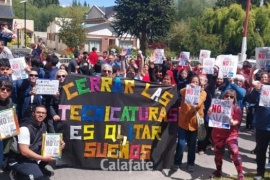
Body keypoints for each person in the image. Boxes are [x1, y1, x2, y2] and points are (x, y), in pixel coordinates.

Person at [8, 105, 65, 179]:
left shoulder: (43, 125)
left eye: (43, 113)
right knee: (38, 177)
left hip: (31, 156)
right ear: (33, 113)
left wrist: (59, 145)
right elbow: (24, 151)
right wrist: (43, 158)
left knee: (55, 148)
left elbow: (48, 141)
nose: (41, 115)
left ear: (45, 115)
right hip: (19, 159)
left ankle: (39, 168)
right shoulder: (25, 128)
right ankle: (17, 173)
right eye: (38, 112)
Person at [173, 75, 207, 172]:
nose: (195, 83)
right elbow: (181, 91)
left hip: (194, 124)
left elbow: (199, 103)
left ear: (199, 84)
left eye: (196, 82)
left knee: (192, 145)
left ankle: (190, 163)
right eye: (193, 81)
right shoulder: (185, 91)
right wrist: (189, 87)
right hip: (183, 123)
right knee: (181, 144)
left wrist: (194, 103)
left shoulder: (203, 93)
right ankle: (177, 162)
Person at [208, 90, 244, 180]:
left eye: (231, 97)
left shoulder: (237, 108)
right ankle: (218, 171)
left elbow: (237, 121)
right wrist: (209, 114)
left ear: (234, 99)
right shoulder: (216, 106)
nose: (228, 98)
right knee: (218, 154)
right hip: (218, 134)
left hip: (231, 134)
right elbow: (212, 118)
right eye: (227, 96)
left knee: (234, 151)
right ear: (223, 97)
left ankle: (240, 174)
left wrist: (232, 122)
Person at [246, 78, 270, 180]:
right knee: (261, 151)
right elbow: (249, 100)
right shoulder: (262, 89)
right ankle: (260, 173)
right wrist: (256, 90)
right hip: (262, 126)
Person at [0, 80, 14, 172]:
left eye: (8, 90)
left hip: (5, 129)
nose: (5, 91)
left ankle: (4, 162)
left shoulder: (9, 101)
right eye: (2, 89)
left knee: (8, 143)